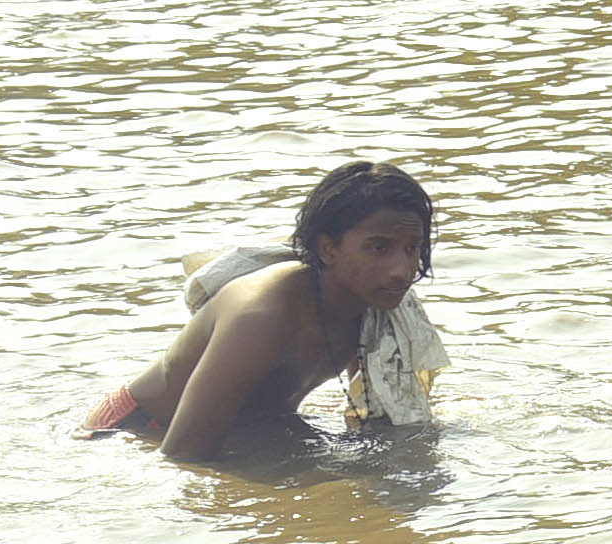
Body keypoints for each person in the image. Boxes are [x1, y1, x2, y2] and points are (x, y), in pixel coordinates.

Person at [85, 161, 443, 465]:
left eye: (412, 248)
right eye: (378, 248)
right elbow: (183, 457)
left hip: (260, 427)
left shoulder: (372, 306)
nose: (401, 269)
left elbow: (376, 406)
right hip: (136, 433)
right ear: (328, 248)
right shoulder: (262, 315)